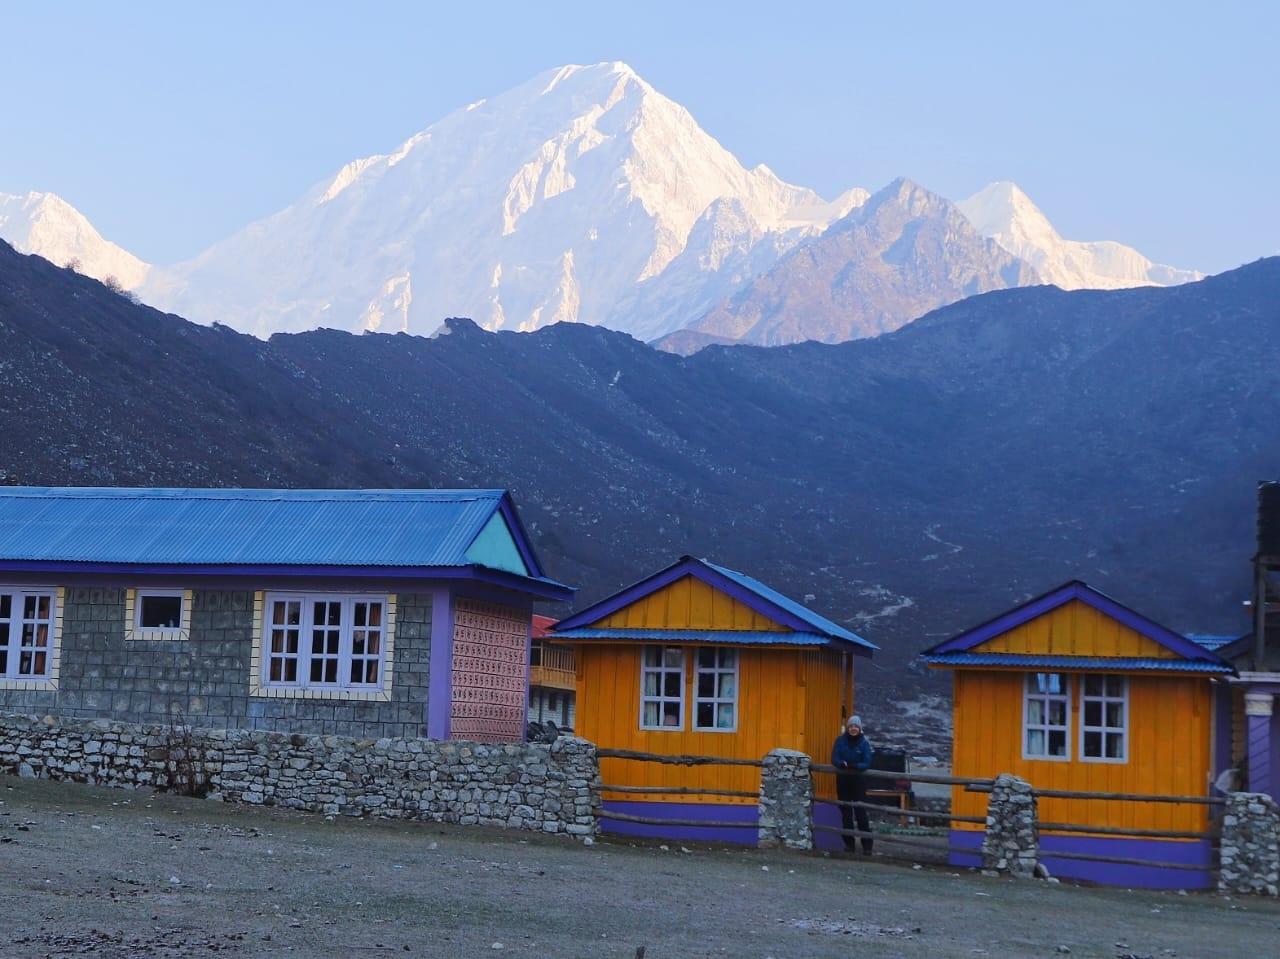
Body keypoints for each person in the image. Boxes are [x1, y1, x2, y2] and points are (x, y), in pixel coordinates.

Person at [831, 714, 874, 853]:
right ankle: (849, 844)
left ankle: (867, 845)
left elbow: (867, 761)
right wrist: (840, 764)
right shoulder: (840, 741)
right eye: (851, 726)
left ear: (860, 728)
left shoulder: (864, 743)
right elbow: (834, 757)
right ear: (847, 728)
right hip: (843, 781)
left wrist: (857, 766)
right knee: (846, 814)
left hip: (858, 782)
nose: (853, 728)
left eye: (856, 726)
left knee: (861, 813)